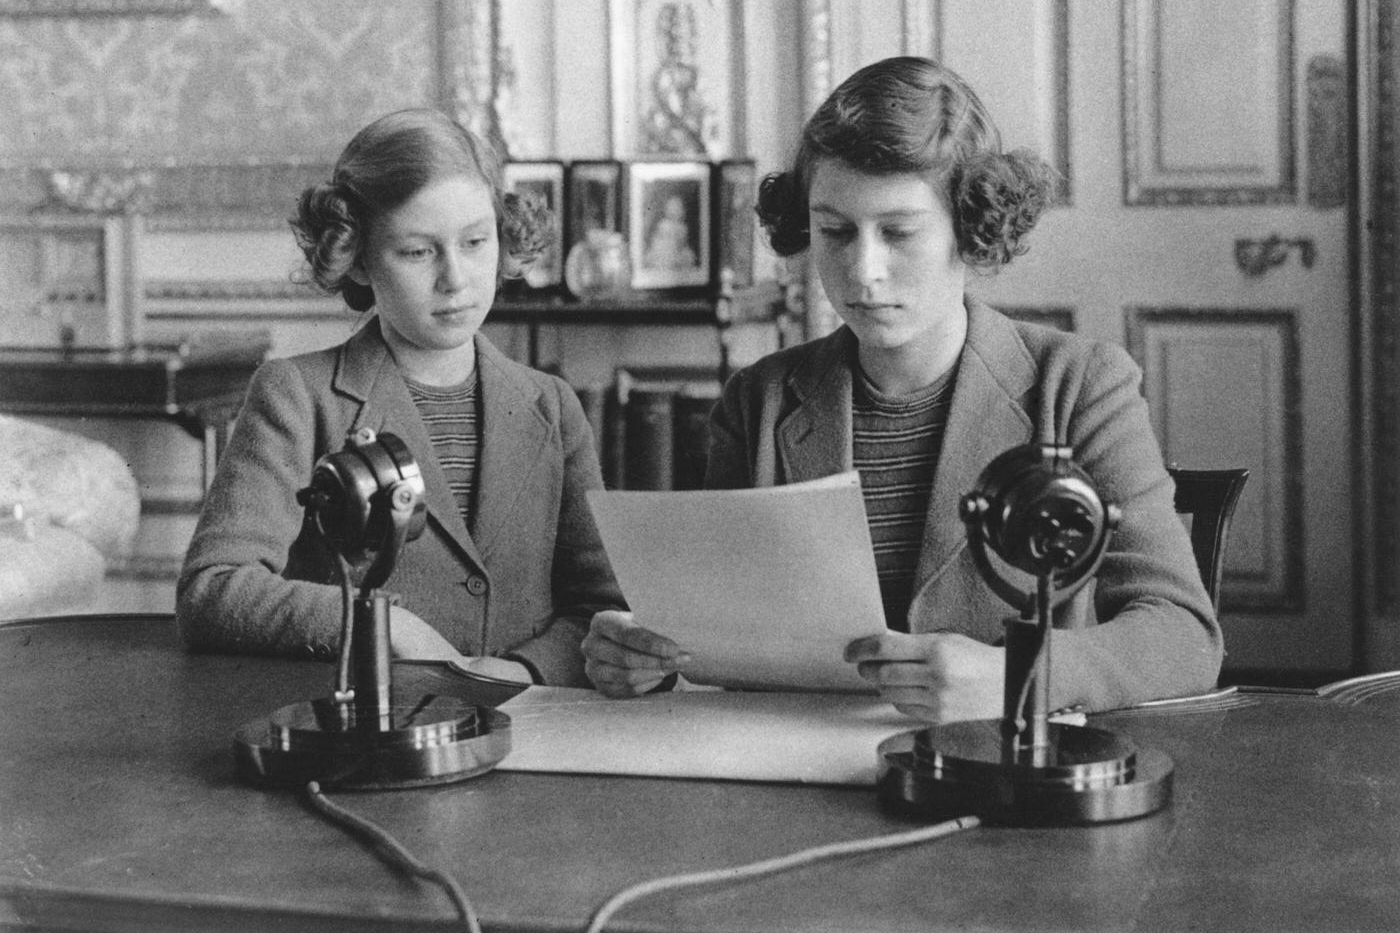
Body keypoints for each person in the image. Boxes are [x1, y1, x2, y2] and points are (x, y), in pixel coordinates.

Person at [581, 56, 1223, 719]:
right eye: (833, 231)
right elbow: (713, 634)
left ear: (973, 231)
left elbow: (1182, 634)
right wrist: (644, 658)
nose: (863, 271)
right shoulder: (759, 400)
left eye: (898, 233)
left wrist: (1017, 677)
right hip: (801, 780)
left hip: (1006, 779)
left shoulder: (1081, 385)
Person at [178, 108, 623, 687]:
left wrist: (520, 671)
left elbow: (598, 611)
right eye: (418, 252)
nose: (456, 279)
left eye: (475, 242)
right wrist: (377, 626)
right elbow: (213, 587)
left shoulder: (553, 405)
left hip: (529, 727)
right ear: (357, 258)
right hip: (364, 732)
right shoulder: (297, 395)